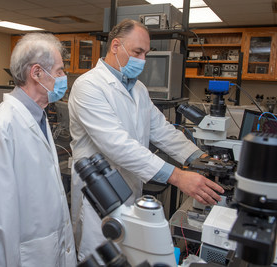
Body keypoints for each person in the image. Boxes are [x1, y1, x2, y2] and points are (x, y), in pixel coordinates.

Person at [68, 19, 225, 261]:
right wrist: (178, 176)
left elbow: (162, 130)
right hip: (98, 199)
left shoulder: (138, 88)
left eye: (145, 53)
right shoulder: (88, 86)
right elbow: (117, 145)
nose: (142, 59)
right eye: (137, 52)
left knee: (128, 256)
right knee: (100, 258)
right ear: (116, 46)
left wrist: (202, 158)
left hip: (130, 190)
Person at [0, 33, 76, 267]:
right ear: (37, 73)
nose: (63, 78)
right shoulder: (0, 126)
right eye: (59, 71)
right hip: (23, 256)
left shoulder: (39, 116)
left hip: (47, 249)